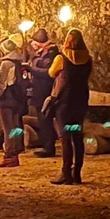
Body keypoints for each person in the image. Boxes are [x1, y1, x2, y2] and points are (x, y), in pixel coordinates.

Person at [47, 29, 93, 185]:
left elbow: (51, 73)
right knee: (77, 136)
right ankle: (77, 172)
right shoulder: (88, 59)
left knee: (65, 138)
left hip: (65, 101)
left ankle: (66, 173)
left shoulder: (62, 58)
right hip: (80, 100)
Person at [0, 35, 27, 168]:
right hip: (16, 99)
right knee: (14, 127)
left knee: (8, 129)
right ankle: (15, 152)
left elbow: (1, 83)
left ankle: (9, 155)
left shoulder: (6, 64)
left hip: (6, 100)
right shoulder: (18, 63)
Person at [28, 28, 61, 158]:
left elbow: (48, 73)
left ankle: (49, 148)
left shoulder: (51, 54)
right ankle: (46, 145)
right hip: (38, 91)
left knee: (45, 118)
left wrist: (31, 69)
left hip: (45, 91)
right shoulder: (41, 53)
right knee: (42, 120)